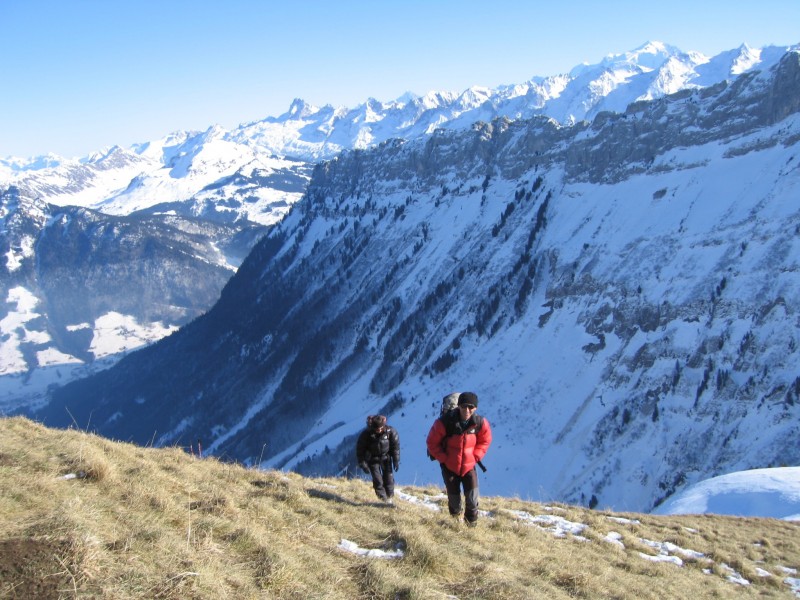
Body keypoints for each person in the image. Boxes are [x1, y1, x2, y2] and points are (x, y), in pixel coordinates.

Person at [426, 392, 492, 524]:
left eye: (471, 407)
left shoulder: (479, 423)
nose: (467, 410)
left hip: (469, 466)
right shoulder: (445, 422)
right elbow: (432, 442)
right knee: (454, 502)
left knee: (472, 501)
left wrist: (476, 456)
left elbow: (485, 440)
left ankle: (471, 527)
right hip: (449, 467)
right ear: (458, 406)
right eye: (463, 406)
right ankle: (456, 524)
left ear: (475, 408)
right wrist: (444, 458)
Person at [356, 415, 400, 503]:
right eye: (377, 429)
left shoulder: (390, 432)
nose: (379, 430)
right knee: (378, 480)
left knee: (389, 479)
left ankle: (390, 498)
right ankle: (383, 500)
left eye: (381, 428)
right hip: (373, 459)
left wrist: (396, 460)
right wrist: (363, 464)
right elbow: (360, 450)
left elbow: (395, 447)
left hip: (386, 458)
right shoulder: (366, 435)